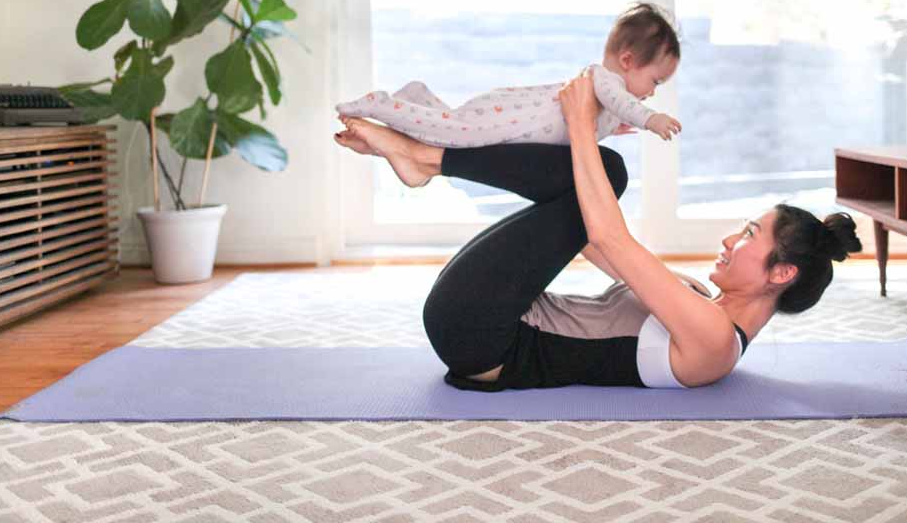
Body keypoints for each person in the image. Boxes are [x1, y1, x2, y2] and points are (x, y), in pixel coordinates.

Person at [332, 70, 860, 391]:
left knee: (606, 172)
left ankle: (429, 158)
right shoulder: (699, 300)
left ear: (782, 271)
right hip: (486, 315)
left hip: (483, 336)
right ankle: (429, 159)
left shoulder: (716, 342)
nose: (728, 240)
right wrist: (579, 139)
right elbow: (591, 236)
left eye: (749, 233)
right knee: (604, 175)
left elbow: (609, 239)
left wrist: (582, 124)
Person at [334, 2, 684, 155]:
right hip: (506, 116)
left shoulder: (610, 96)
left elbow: (604, 114)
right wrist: (649, 119)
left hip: (509, 123)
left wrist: (614, 125)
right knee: (451, 132)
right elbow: (620, 100)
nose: (652, 92)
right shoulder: (603, 78)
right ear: (627, 60)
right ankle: (381, 105)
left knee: (446, 132)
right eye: (655, 81)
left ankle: (416, 97)